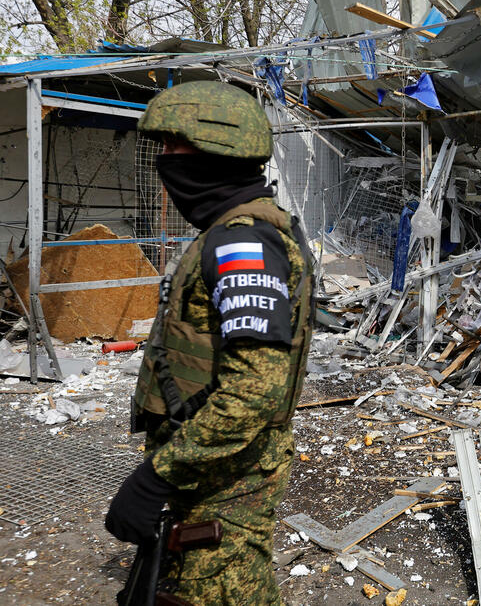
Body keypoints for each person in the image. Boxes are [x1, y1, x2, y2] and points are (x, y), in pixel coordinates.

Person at [105, 81, 314, 604]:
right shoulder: (229, 232)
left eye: (177, 148)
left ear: (219, 151)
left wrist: (157, 476)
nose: (166, 161)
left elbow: (253, 393)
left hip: (225, 479)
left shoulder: (244, 243)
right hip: (209, 472)